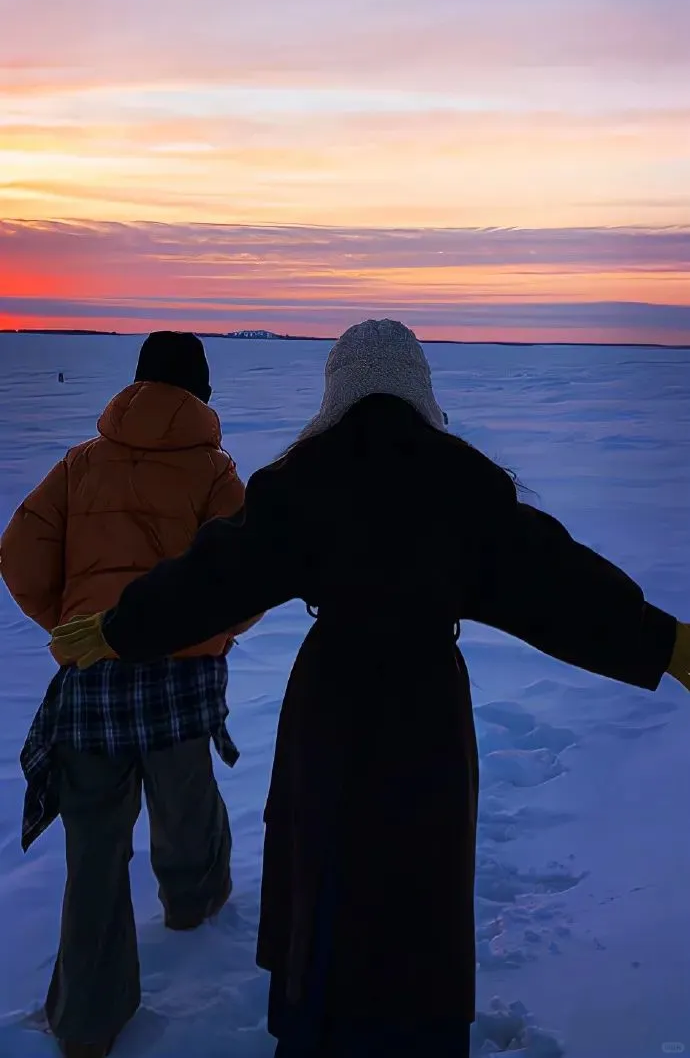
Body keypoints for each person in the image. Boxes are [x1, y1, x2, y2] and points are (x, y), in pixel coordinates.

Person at [52, 320, 690, 1058]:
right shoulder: (461, 484)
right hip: (427, 710)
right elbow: (554, 579)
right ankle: (419, 1030)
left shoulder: (305, 482)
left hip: (332, 706)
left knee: (325, 872)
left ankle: (316, 1023)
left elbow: (216, 575)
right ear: (420, 388)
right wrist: (661, 640)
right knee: (421, 882)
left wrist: (120, 628)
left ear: (338, 389)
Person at [1, 331, 262, 1058]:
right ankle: (194, 903)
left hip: (92, 682)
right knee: (187, 801)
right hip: (180, 680)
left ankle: (86, 1019)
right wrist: (208, 636)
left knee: (94, 849)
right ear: (200, 393)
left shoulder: (81, 464)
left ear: (138, 383)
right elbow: (250, 570)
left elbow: (19, 552)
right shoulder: (216, 474)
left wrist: (76, 625)